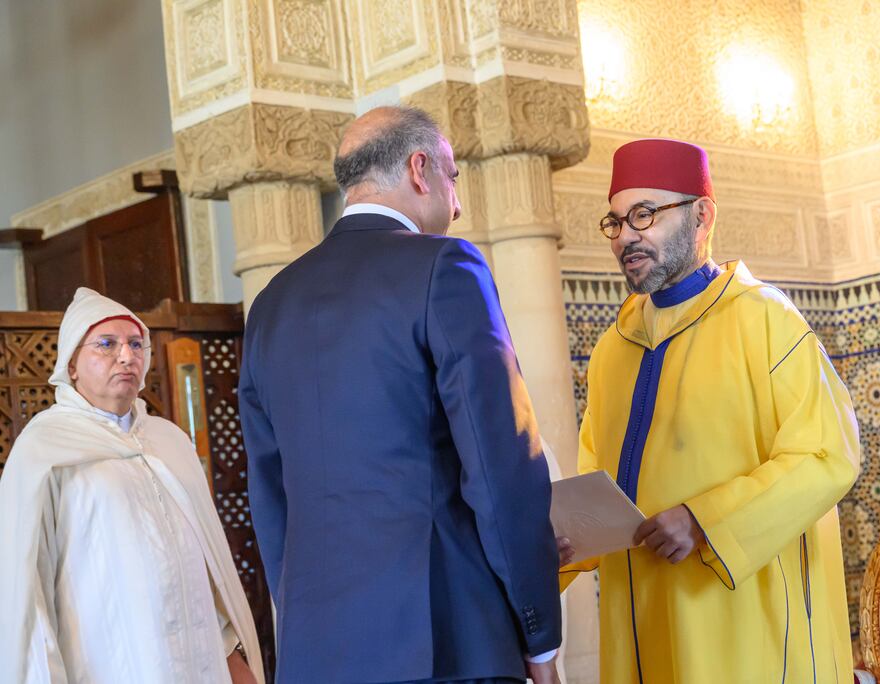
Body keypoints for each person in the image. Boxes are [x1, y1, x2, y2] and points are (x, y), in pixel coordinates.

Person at [238, 106, 562, 684]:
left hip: (316, 655)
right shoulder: (446, 266)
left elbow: (268, 493)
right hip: (448, 640)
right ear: (420, 169)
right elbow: (499, 465)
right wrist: (540, 637)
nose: (457, 204)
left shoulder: (271, 304)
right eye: (454, 177)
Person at [559, 138, 862, 682]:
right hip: (638, 625)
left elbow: (827, 455)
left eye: (645, 215)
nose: (627, 235)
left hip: (745, 627)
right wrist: (555, 549)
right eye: (616, 221)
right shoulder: (613, 349)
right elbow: (594, 478)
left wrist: (704, 519)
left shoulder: (765, 320)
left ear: (702, 216)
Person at [0, 287, 263, 684]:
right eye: (107, 344)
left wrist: (230, 652)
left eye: (136, 344)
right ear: (72, 363)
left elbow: (208, 564)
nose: (127, 356)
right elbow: (27, 592)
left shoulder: (169, 440)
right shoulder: (43, 449)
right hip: (114, 664)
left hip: (202, 662)